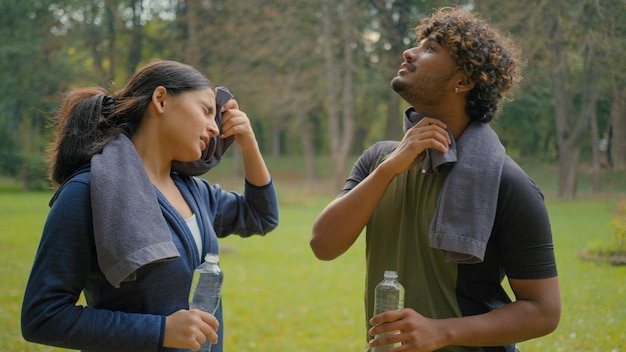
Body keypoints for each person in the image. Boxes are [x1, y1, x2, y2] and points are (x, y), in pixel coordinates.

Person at [310, 7, 560, 352]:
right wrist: (389, 169)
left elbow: (544, 311)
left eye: (431, 48)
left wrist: (441, 332)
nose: (409, 52)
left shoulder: (507, 183)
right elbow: (323, 245)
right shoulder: (379, 161)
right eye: (419, 44)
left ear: (464, 81)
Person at [21, 60, 279, 352]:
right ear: (160, 100)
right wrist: (160, 330)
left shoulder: (192, 190)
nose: (215, 128)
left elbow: (262, 216)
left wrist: (250, 145)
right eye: (206, 110)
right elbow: (42, 316)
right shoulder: (88, 192)